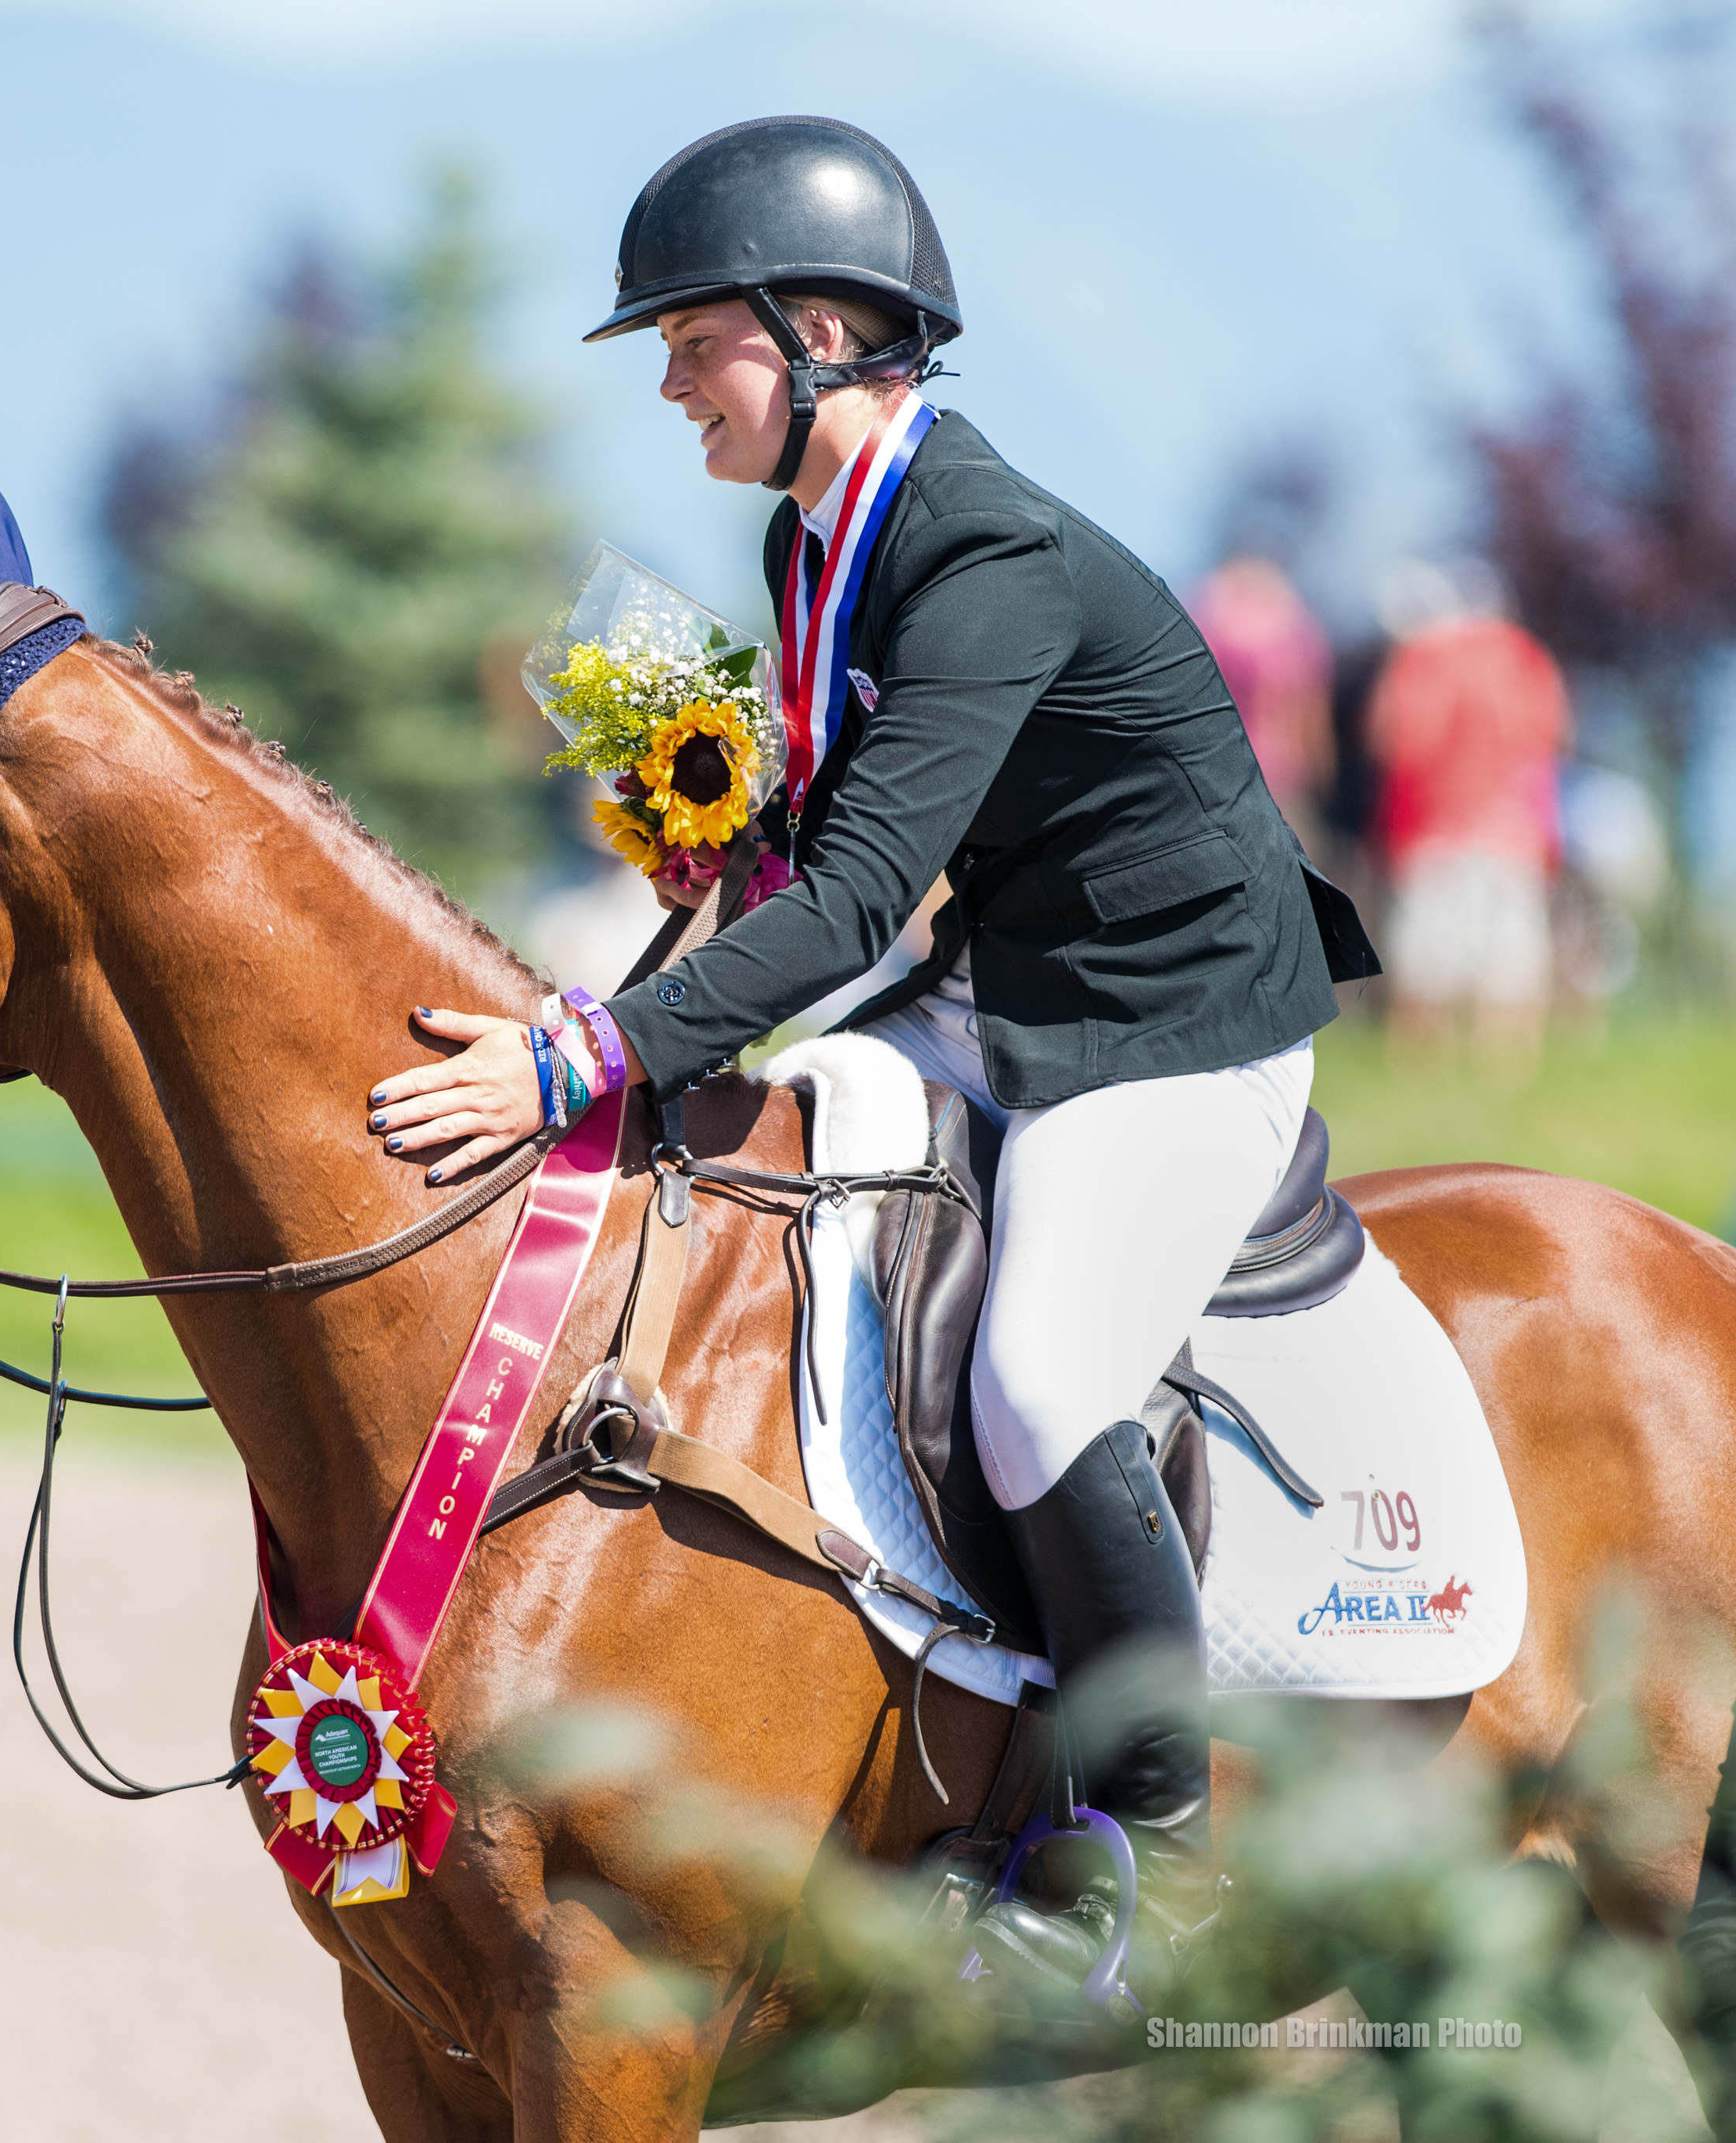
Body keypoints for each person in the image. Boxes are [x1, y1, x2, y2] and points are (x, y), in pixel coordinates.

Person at [364, 117, 1379, 2001]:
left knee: (1034, 1376)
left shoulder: (982, 551)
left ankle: (1154, 1853)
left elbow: (846, 914)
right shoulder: (812, 530)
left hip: (1170, 1030)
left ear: (821, 327)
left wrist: (573, 1056)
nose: (668, 382)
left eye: (692, 339)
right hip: (1010, 992)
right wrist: (714, 842)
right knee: (749, 1163)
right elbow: (838, 842)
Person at [1365, 561, 1570, 1076]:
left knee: (1427, 958)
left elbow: (1394, 739)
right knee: (1511, 955)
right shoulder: (1526, 657)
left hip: (1437, 830)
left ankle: (1420, 1071)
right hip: (1513, 828)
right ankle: (1506, 1071)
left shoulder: (1422, 659)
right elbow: (1554, 734)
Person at [1189, 555, 1336, 864]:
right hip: (1284, 776)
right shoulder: (1296, 627)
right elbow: (1311, 712)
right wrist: (1325, 778)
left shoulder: (1210, 620)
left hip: (1221, 774)